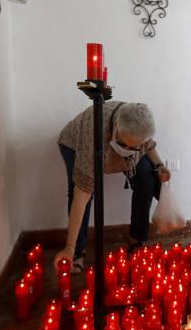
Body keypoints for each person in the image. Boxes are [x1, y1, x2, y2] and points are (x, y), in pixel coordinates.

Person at [53, 101, 171, 271]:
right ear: (116, 127)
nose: (127, 149)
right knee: (79, 188)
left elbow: (147, 146)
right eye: (124, 144)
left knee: (146, 178)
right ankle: (76, 250)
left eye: (134, 146)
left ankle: (136, 239)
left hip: (123, 141)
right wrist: (69, 247)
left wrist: (159, 166)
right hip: (75, 145)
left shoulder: (141, 126)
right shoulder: (93, 130)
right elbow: (82, 194)